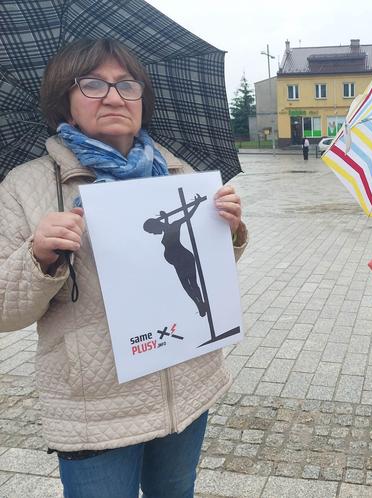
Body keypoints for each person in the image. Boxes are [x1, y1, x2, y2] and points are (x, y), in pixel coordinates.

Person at [0, 39, 248, 498]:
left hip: (186, 389)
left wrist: (228, 230)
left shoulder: (178, 172)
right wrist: (37, 256)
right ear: (65, 102)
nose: (114, 97)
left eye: (127, 85)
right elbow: (4, 312)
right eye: (93, 84)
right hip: (96, 409)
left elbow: (210, 274)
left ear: (142, 99)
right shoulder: (26, 186)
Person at [143, 195, 208, 317]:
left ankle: (201, 304)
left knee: (191, 283)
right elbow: (167, 230)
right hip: (177, 260)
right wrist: (166, 217)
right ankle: (199, 304)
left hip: (183, 258)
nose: (153, 234)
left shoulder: (174, 225)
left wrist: (197, 203)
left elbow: (187, 217)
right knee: (186, 285)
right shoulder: (169, 226)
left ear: (155, 225)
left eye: (151, 231)